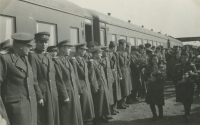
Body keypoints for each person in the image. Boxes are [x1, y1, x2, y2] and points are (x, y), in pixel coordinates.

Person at [0, 32, 43, 125]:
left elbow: (32, 80)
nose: (32, 48)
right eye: (29, 45)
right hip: (14, 110)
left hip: (29, 107)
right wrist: (1, 114)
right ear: (20, 46)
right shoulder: (4, 59)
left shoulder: (25, 58)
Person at [28, 32, 60, 125]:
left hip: (52, 92)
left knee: (53, 117)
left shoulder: (49, 56)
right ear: (36, 43)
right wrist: (39, 95)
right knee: (44, 118)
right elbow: (33, 78)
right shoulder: (33, 56)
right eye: (41, 42)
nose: (44, 44)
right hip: (43, 92)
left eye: (46, 42)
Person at [53, 40, 83, 125]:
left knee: (74, 117)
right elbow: (59, 80)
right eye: (68, 48)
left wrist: (77, 92)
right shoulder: (56, 62)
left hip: (72, 92)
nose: (70, 50)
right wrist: (65, 96)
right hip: (66, 94)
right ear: (62, 49)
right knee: (67, 117)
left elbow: (74, 78)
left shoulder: (66, 61)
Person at [70, 43, 95, 124]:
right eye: (83, 50)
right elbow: (76, 76)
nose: (85, 51)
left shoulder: (83, 59)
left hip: (86, 85)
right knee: (84, 108)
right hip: (81, 86)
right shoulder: (74, 61)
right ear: (78, 50)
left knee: (88, 107)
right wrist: (78, 90)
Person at [88, 46, 111, 125]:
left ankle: (101, 116)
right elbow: (92, 76)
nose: (101, 54)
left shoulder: (98, 61)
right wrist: (95, 87)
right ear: (94, 54)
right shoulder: (91, 62)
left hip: (102, 84)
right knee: (98, 103)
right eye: (99, 53)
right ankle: (96, 119)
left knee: (103, 101)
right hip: (98, 86)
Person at [172, 52, 197, 121]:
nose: (183, 59)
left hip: (189, 86)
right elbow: (174, 76)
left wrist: (191, 78)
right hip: (181, 86)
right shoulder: (177, 65)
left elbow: (196, 75)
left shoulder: (191, 65)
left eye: (185, 58)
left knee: (188, 100)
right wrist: (179, 82)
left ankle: (187, 114)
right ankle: (186, 112)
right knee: (183, 100)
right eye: (182, 58)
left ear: (188, 58)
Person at [145, 54, 165, 120]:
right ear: (151, 60)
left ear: (158, 59)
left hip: (159, 86)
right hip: (151, 87)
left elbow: (164, 77)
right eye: (153, 59)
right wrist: (149, 79)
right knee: (152, 102)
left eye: (156, 59)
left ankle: (161, 115)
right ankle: (154, 115)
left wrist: (157, 79)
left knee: (159, 102)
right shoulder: (148, 67)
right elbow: (145, 76)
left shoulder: (161, 67)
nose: (154, 61)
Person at [109, 41, 122, 115]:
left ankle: (114, 108)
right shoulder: (108, 55)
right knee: (112, 92)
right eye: (114, 48)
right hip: (111, 75)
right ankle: (111, 109)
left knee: (116, 92)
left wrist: (120, 75)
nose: (115, 49)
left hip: (116, 74)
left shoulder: (115, 54)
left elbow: (117, 66)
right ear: (112, 48)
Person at [117, 39, 130, 108]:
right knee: (123, 88)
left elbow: (128, 62)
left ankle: (124, 101)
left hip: (126, 71)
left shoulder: (125, 53)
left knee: (126, 87)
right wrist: (120, 74)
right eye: (124, 45)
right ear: (120, 45)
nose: (125, 47)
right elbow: (118, 65)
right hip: (122, 72)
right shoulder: (117, 53)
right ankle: (121, 103)